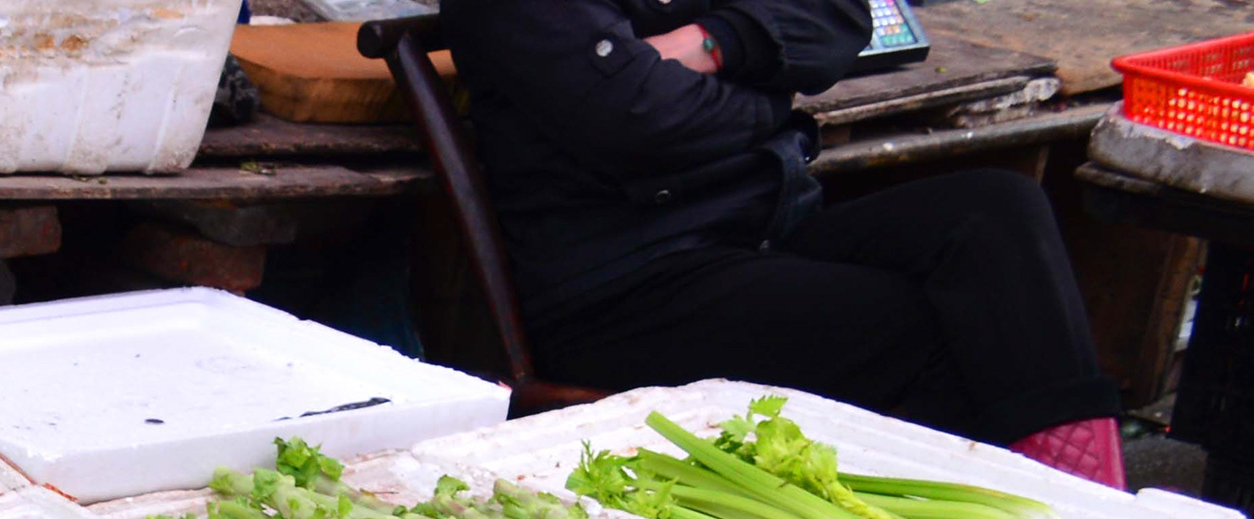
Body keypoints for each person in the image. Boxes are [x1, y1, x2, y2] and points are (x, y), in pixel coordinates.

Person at [434, 0, 1129, 481]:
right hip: (624, 287)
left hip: (763, 222)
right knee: (929, 329)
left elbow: (839, 18)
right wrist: (770, 97)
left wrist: (715, 42)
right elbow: (639, 119)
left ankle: (1096, 500)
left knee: (994, 210)